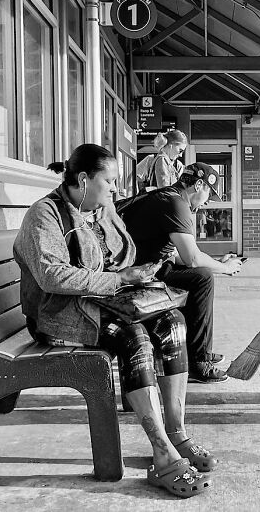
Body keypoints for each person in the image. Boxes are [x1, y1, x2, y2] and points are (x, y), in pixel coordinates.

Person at [13, 144, 215, 497]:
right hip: (60, 315)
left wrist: (136, 274)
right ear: (82, 179)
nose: (115, 191)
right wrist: (120, 280)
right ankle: (164, 455)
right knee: (134, 337)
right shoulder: (44, 215)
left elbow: (124, 252)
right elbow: (51, 277)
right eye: (109, 182)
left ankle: (177, 433)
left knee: (172, 325)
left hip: (103, 302)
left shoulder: (100, 208)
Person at [120, 162, 243, 383]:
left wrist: (214, 261)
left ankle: (197, 351)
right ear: (198, 185)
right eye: (208, 194)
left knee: (199, 274)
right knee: (203, 278)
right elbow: (192, 259)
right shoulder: (176, 204)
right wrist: (225, 268)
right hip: (139, 273)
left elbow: (179, 255)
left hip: (147, 266)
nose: (206, 203)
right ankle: (198, 362)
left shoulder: (167, 196)